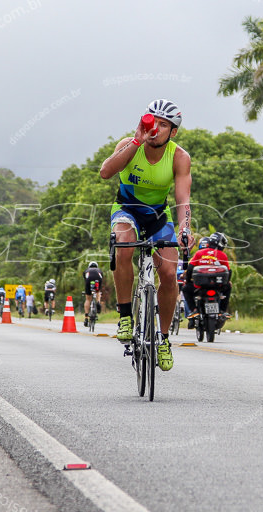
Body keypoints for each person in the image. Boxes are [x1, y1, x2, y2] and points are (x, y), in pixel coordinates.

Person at [99, 98, 192, 371]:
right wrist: (136, 142)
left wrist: (185, 227)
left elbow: (183, 200)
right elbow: (106, 172)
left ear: (173, 132)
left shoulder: (179, 157)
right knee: (123, 243)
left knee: (168, 272)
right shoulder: (130, 144)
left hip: (157, 217)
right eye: (153, 122)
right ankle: (126, 315)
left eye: (164, 125)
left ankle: (162, 339)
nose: (156, 129)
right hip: (126, 210)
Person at [183, 232, 232, 321]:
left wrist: (188, 281)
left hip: (199, 287)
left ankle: (194, 310)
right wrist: (225, 283)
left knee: (185, 289)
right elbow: (229, 271)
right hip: (218, 287)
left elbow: (190, 268)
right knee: (228, 286)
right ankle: (222, 310)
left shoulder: (199, 253)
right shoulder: (222, 255)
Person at [82, 261, 103, 327]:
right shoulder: (99, 270)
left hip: (89, 280)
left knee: (88, 299)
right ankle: (98, 302)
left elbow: (85, 280)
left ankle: (86, 317)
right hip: (98, 279)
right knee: (98, 292)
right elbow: (102, 278)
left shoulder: (86, 270)